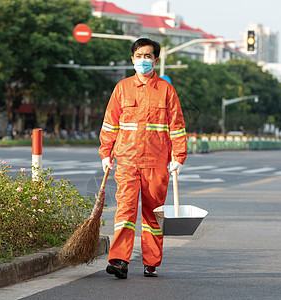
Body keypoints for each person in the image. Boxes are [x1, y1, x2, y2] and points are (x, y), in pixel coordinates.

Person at [99, 38, 187, 279]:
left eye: (148, 56)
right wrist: (106, 152)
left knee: (153, 213)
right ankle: (119, 260)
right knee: (125, 212)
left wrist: (178, 157)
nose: (143, 60)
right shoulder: (122, 88)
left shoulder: (166, 90)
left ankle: (151, 261)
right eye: (139, 55)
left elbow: (176, 126)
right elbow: (110, 123)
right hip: (127, 160)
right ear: (132, 59)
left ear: (155, 60)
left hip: (156, 162)